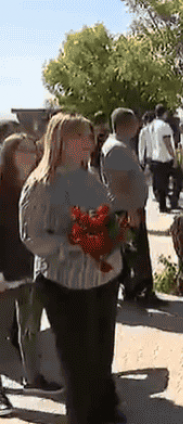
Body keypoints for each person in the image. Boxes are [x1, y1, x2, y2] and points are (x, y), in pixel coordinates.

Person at [19, 112, 128, 424]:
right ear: (60, 141)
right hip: (66, 284)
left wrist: (115, 232)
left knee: (101, 353)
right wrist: (71, 243)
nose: (88, 142)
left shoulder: (89, 175)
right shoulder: (40, 185)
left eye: (89, 136)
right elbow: (32, 237)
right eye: (80, 136)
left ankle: (106, 411)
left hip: (104, 278)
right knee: (78, 361)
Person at [0, 133, 64, 417]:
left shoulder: (38, 186)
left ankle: (33, 379)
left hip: (32, 270)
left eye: (31, 150)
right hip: (4, 275)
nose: (28, 155)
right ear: (8, 154)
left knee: (30, 329)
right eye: (20, 150)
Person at [101, 108, 167, 308]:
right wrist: (132, 211)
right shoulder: (116, 148)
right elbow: (121, 183)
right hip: (127, 208)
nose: (138, 126)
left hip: (127, 207)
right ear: (125, 124)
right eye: (134, 122)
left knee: (128, 252)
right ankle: (142, 291)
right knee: (138, 252)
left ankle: (131, 289)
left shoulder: (118, 145)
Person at [140, 104, 181, 212]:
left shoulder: (151, 126)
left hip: (155, 157)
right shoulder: (164, 126)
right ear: (165, 113)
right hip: (165, 158)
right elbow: (167, 142)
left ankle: (162, 205)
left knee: (160, 184)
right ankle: (173, 201)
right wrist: (174, 158)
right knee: (178, 178)